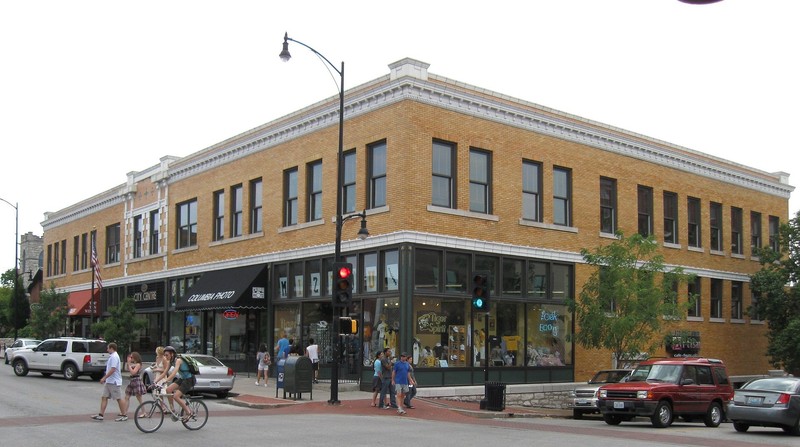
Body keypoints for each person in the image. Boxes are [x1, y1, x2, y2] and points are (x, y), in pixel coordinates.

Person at [154, 346, 195, 422]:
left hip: (189, 379)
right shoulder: (171, 361)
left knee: (176, 396)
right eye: (164, 355)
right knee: (168, 389)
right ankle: (172, 409)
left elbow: (173, 373)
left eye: (167, 355)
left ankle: (189, 412)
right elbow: (165, 372)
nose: (165, 357)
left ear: (172, 354)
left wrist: (165, 381)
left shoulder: (178, 360)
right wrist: (155, 381)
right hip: (183, 379)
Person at [91, 342, 127, 421]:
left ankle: (124, 414)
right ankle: (101, 414)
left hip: (114, 381)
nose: (107, 350)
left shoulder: (114, 357)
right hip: (109, 381)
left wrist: (104, 378)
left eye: (108, 348)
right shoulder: (112, 356)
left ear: (112, 348)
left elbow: (113, 369)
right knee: (104, 397)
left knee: (118, 398)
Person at [122, 351, 147, 419]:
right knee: (127, 396)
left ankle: (144, 412)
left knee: (139, 398)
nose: (131, 358)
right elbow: (128, 369)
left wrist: (129, 365)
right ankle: (124, 412)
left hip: (136, 380)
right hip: (132, 381)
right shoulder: (134, 364)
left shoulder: (138, 364)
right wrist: (129, 363)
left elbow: (133, 372)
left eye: (132, 357)